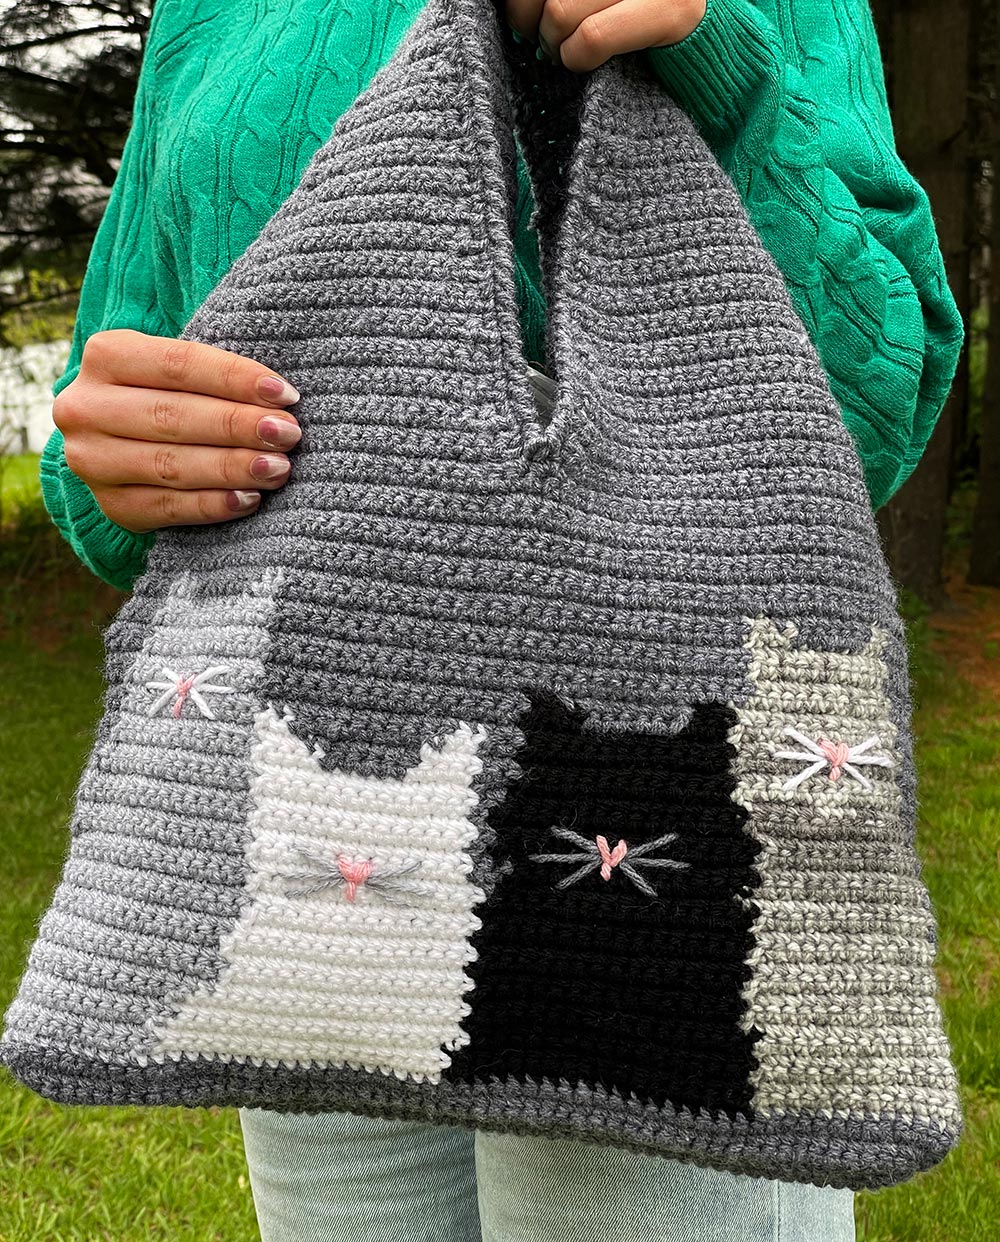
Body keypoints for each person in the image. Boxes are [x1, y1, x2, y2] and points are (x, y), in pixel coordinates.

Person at [42, 0, 961, 1238]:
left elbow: (872, 407)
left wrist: (717, 66)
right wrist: (111, 456)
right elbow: (107, 407)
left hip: (653, 828)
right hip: (302, 841)